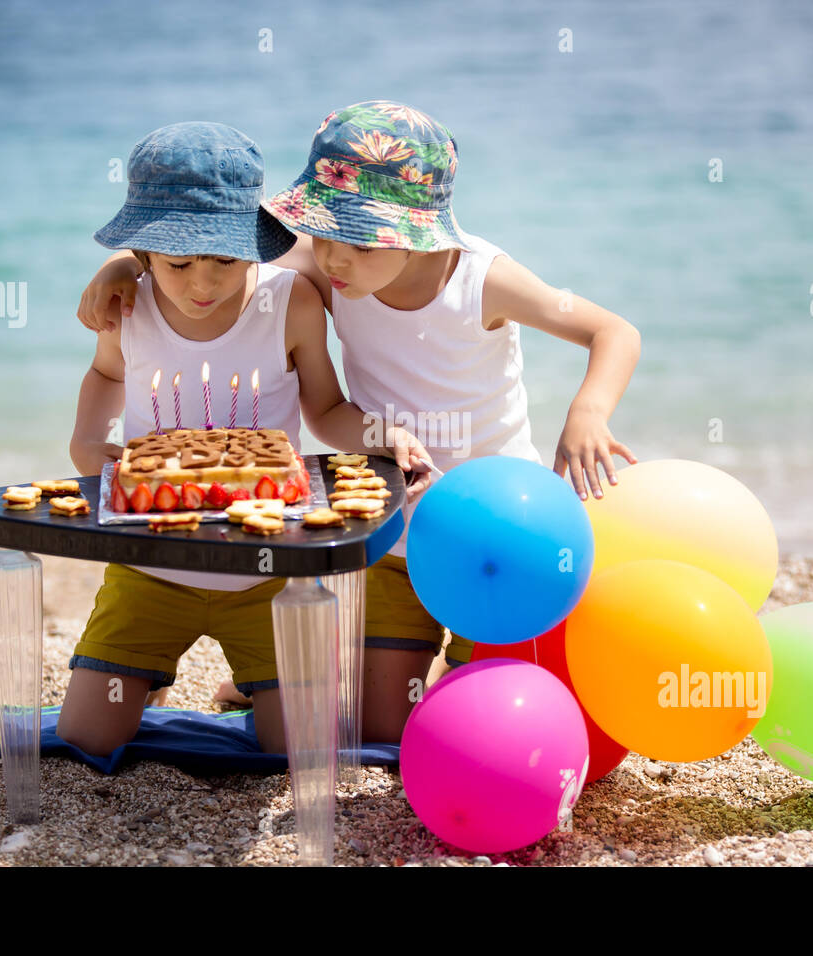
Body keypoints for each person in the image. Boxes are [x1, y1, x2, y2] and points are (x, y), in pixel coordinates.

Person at [75, 100, 640, 699]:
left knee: (492, 694)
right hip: (396, 527)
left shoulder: (484, 280)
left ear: (417, 237)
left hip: (497, 526)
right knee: (380, 725)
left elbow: (613, 332)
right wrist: (117, 266)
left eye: (362, 243)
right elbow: (211, 245)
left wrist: (588, 413)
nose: (336, 258)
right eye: (323, 235)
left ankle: (457, 670)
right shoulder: (334, 266)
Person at [59, 121, 429, 757]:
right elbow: (104, 374)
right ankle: (142, 676)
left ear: (254, 247)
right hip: (151, 568)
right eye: (178, 264)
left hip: (267, 573)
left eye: (226, 261)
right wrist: (88, 444)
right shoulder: (128, 306)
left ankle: (250, 686)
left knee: (295, 749)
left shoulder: (291, 303)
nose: (203, 285)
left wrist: (381, 434)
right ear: (144, 255)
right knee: (87, 739)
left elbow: (328, 411)